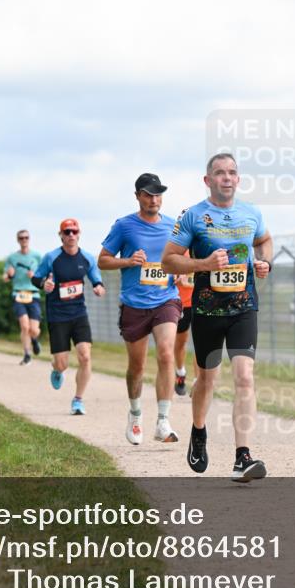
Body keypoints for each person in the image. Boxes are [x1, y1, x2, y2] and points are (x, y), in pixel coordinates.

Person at [161, 153, 273, 483]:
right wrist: (204, 265)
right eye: (220, 173)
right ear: (207, 180)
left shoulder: (252, 213)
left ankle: (243, 457)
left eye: (232, 173)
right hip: (208, 311)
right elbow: (168, 261)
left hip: (244, 308)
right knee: (207, 380)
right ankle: (198, 431)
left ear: (238, 179)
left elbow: (264, 240)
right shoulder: (194, 217)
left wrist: (265, 262)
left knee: (245, 378)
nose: (227, 178)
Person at [98, 173, 181, 445]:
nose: (153, 199)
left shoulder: (173, 226)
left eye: (157, 194)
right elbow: (103, 261)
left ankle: (163, 421)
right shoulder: (124, 226)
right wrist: (129, 261)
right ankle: (135, 415)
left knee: (167, 354)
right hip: (135, 303)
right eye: (148, 194)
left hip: (165, 299)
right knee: (137, 366)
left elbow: (183, 257)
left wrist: (180, 271)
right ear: (138, 196)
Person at [33, 218, 106, 415]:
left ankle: (78, 400)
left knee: (85, 356)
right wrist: (44, 285)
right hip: (57, 316)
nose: (71, 235)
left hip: (79, 314)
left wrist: (98, 286)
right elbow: (36, 278)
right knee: (62, 363)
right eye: (67, 232)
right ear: (61, 236)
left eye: (74, 231)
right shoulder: (51, 257)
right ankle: (57, 370)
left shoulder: (87, 258)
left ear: (79, 234)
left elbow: (95, 277)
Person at [4, 229, 43, 365]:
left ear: (29, 239)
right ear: (18, 240)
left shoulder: (37, 256)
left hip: (33, 294)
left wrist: (35, 276)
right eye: (21, 238)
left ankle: (34, 340)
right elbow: (5, 278)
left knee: (34, 329)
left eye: (26, 237)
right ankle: (27, 354)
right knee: (25, 327)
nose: (24, 240)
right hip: (18, 294)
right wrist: (10, 274)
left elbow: (44, 275)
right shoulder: (12, 258)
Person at [173, 253, 195, 396]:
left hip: (201, 302)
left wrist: (188, 283)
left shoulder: (202, 247)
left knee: (202, 344)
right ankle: (180, 373)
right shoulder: (175, 249)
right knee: (181, 342)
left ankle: (199, 381)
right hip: (181, 304)